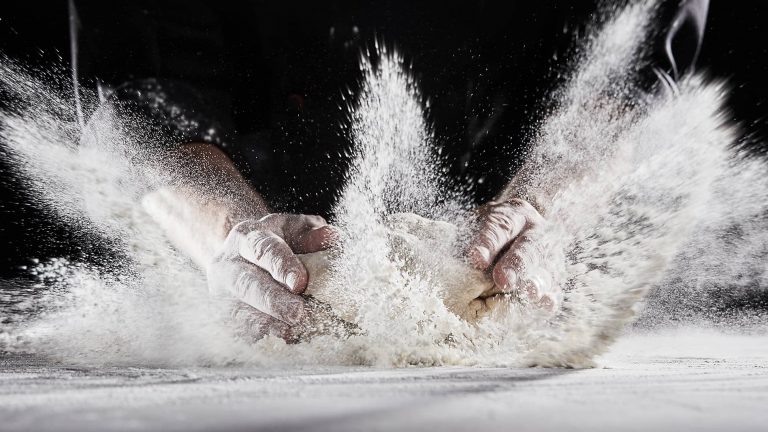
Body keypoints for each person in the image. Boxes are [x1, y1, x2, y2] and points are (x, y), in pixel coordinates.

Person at [64, 0, 709, 339]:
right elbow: (137, 91)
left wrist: (545, 206)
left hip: (512, 238)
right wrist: (227, 227)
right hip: (272, 235)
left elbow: (633, 71)